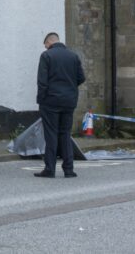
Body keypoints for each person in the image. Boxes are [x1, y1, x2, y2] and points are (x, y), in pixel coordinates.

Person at [35, 32, 85, 178]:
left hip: (50, 102)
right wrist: (69, 88)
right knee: (65, 134)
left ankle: (50, 169)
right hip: (69, 101)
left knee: (51, 135)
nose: (46, 48)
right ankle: (68, 169)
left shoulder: (47, 56)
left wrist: (41, 99)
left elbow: (42, 82)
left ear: (49, 42)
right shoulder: (73, 56)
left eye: (46, 46)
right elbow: (81, 78)